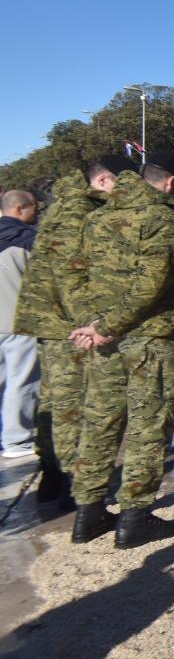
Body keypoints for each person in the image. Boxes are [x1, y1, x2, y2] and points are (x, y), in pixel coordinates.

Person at [70, 150, 174, 549]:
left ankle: (88, 513)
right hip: (148, 339)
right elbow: (150, 284)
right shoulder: (162, 218)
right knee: (148, 426)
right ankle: (135, 518)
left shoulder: (97, 217)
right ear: (172, 183)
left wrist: (93, 324)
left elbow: (75, 277)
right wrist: (106, 327)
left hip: (104, 339)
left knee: (100, 421)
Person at [11, 155, 136, 505]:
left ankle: (54, 474)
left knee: (55, 399)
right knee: (70, 405)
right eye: (123, 184)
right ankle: (69, 482)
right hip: (65, 324)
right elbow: (70, 274)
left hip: (57, 320)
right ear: (104, 181)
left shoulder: (67, 206)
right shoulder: (78, 211)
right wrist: (90, 322)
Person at [0, 190, 41, 459]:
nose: (37, 211)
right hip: (18, 320)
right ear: (19, 209)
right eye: (33, 207)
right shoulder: (28, 240)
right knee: (22, 382)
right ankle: (17, 440)